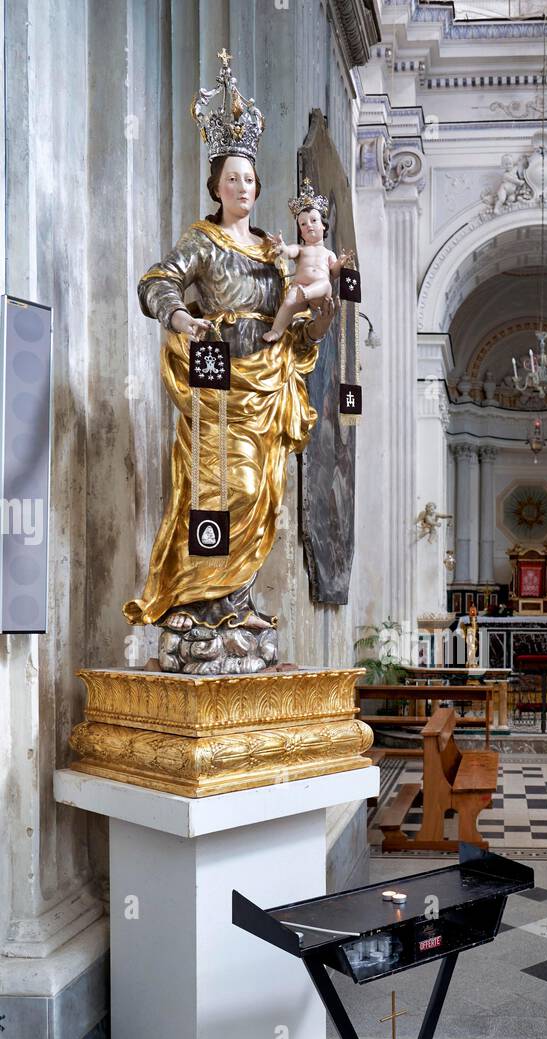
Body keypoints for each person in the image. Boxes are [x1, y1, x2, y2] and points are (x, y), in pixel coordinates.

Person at [123, 52, 335, 673]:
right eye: (232, 178)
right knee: (219, 487)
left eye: (250, 180)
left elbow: (298, 320)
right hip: (216, 368)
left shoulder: (274, 250)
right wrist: (180, 317)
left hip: (265, 378)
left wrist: (315, 315)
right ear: (216, 185)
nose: (242, 188)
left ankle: (234, 602)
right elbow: (157, 281)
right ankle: (192, 597)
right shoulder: (202, 240)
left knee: (262, 495)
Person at [262, 187, 354, 341]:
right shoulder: (300, 249)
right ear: (300, 232)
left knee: (325, 283)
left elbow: (335, 273)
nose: (308, 225)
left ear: (323, 225)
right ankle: (276, 331)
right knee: (289, 301)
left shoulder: (328, 253)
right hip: (299, 289)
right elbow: (288, 252)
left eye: (313, 220)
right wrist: (282, 246)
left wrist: (340, 263)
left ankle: (308, 293)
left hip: (318, 295)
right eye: (303, 224)